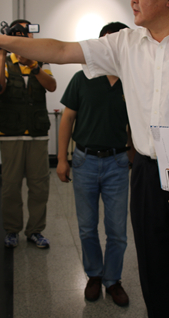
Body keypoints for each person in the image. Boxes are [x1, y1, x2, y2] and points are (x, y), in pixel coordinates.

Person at [0, 0, 169, 318]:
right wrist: (1, 41)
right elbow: (60, 50)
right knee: (153, 266)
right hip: (148, 173)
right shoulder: (125, 44)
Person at [57, 22, 132, 307]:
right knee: (87, 227)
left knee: (117, 230)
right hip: (84, 161)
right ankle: (94, 275)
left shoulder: (131, 80)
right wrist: (61, 159)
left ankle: (112, 280)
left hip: (117, 163)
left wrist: (133, 155)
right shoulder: (82, 78)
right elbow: (67, 119)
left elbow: (137, 121)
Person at [0, 19, 57, 249]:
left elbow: (51, 86)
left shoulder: (42, 61)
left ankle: (35, 231)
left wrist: (34, 66)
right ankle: (12, 230)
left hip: (37, 135)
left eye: (26, 34)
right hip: (11, 134)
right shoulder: (4, 61)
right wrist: (2, 55)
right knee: (11, 186)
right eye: (17, 34)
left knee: (39, 186)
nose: (22, 38)